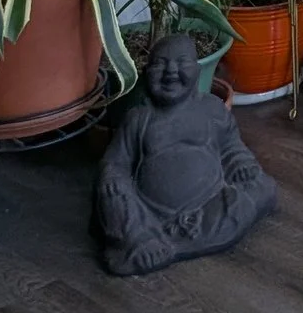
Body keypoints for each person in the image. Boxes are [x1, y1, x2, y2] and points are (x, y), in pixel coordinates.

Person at [93, 33, 277, 275]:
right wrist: (113, 182)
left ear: (198, 70)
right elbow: (117, 163)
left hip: (210, 203)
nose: (171, 71)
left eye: (182, 63)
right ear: (146, 73)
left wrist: (242, 164)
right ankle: (141, 238)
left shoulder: (211, 109)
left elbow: (231, 146)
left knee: (259, 190)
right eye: (160, 63)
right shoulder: (139, 119)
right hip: (152, 210)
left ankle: (166, 245)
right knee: (112, 192)